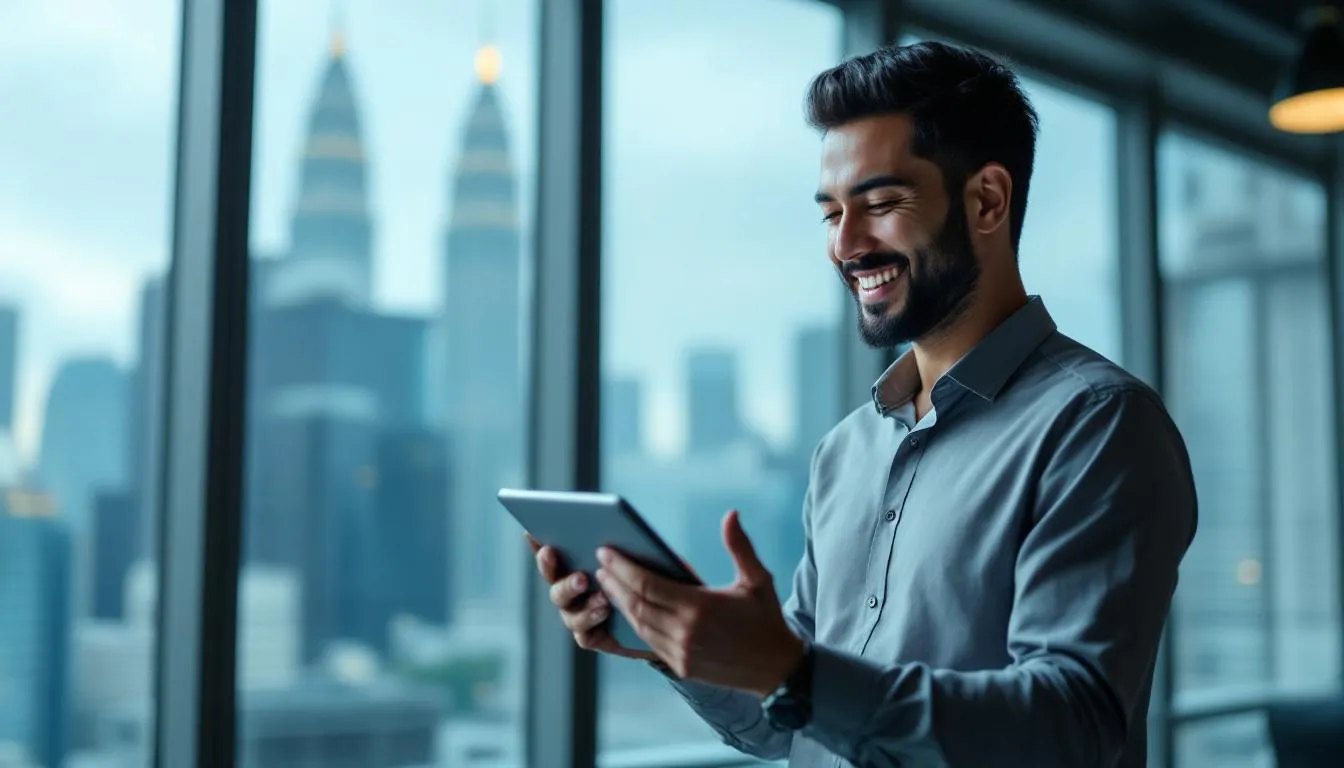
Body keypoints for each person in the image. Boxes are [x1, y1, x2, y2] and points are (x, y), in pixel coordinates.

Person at [530, 40, 1197, 767]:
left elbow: (1069, 727)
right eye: (831, 213)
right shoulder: (846, 452)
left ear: (987, 200)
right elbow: (785, 724)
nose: (844, 245)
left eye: (880, 204)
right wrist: (672, 638)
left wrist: (796, 675)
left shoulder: (1099, 425)